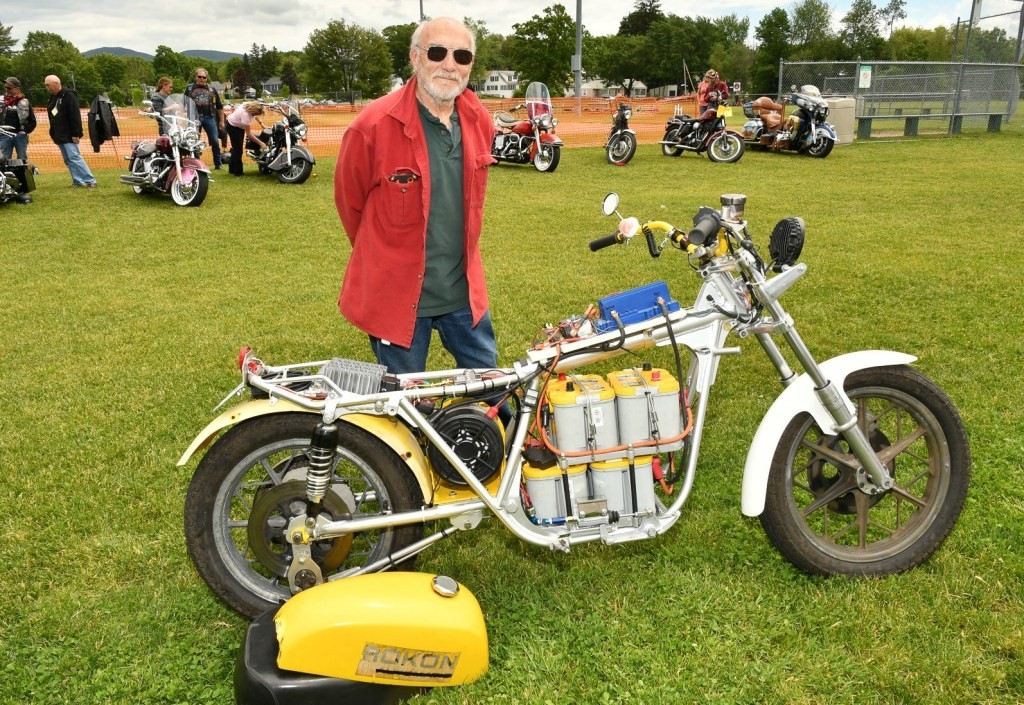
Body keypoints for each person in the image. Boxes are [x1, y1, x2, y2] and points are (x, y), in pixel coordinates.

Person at [335, 16, 499, 377]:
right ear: (414, 57)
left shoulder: (479, 120)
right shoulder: (371, 125)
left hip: (463, 293)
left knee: (491, 388)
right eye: (437, 52)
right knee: (405, 401)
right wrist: (383, 254)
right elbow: (351, 206)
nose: (449, 65)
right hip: (396, 298)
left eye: (461, 56)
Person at [44, 74, 97, 188]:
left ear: (56, 84)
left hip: (69, 134)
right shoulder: (54, 97)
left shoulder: (69, 95)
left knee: (75, 157)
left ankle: (90, 180)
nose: (46, 88)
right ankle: (77, 181)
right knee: (68, 159)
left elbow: (75, 116)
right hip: (59, 134)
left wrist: (75, 134)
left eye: (48, 85)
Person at [184, 68, 224, 169]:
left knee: (215, 140)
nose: (202, 79)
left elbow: (219, 106)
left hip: (209, 117)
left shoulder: (212, 89)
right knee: (193, 141)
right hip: (193, 118)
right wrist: (181, 117)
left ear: (206, 78)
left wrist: (222, 121)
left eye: (204, 77)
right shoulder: (189, 88)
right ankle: (197, 163)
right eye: (200, 77)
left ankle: (218, 163)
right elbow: (182, 103)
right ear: (196, 77)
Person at [225, 101, 266, 176]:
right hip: (232, 127)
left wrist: (261, 123)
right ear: (252, 111)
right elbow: (249, 134)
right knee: (238, 150)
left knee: (236, 148)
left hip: (239, 126)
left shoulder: (250, 105)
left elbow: (255, 116)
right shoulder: (246, 115)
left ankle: (232, 169)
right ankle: (238, 172)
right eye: (255, 114)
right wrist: (261, 143)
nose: (255, 115)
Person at [1, 77, 33, 161]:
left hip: (20, 135)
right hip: (4, 135)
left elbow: (32, 120)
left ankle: (21, 170)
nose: (7, 90)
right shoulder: (1, 101)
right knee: (4, 160)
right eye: (5, 87)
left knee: (22, 159)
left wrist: (25, 131)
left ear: (17, 88)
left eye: (9, 88)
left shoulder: (24, 102)